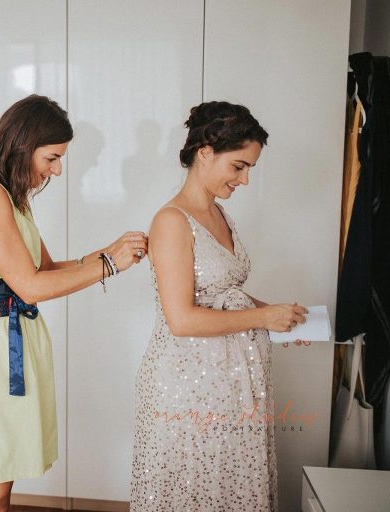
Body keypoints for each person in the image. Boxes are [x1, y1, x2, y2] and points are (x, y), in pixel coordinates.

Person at [0, 94, 148, 511]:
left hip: (9, 344)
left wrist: (108, 251)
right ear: (23, 144)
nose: (57, 170)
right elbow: (31, 287)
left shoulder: (8, 193)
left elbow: (46, 269)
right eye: (52, 158)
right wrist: (109, 265)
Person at [129, 101, 308, 511]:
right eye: (238, 166)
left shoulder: (219, 213)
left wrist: (277, 312)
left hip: (230, 382)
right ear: (205, 152)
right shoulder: (172, 221)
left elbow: (224, 291)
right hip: (186, 384)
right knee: (193, 489)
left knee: (227, 488)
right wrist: (263, 317)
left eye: (249, 169)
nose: (245, 179)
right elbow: (181, 318)